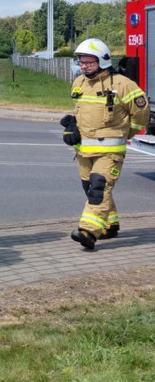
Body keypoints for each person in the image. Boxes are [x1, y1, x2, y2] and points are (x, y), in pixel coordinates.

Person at [62, 38, 148, 249]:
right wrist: (71, 126)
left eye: (89, 62)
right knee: (91, 188)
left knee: (99, 187)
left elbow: (141, 114)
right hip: (83, 150)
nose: (84, 66)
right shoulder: (79, 82)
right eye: (82, 62)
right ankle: (110, 225)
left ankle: (88, 232)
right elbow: (81, 111)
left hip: (110, 152)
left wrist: (126, 132)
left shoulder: (122, 84)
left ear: (102, 61)